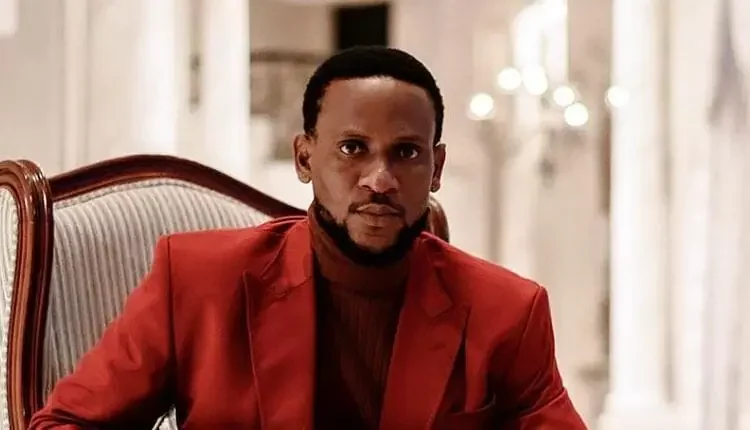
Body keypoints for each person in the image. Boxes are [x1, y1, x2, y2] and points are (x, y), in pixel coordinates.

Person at [30, 46, 586, 429]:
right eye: (352, 148)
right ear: (304, 158)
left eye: (406, 152)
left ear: (435, 169)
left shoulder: (508, 312)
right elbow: (66, 423)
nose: (380, 179)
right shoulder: (197, 282)